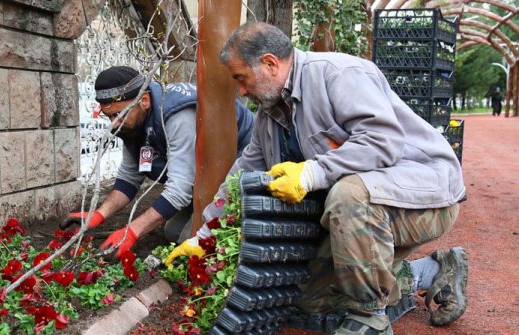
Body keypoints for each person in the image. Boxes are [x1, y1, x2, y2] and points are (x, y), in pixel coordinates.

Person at [166, 22, 468, 334]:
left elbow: (382, 141)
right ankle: (431, 271)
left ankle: (368, 318)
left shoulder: (339, 74)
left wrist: (312, 172)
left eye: (241, 79)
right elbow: (242, 175)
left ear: (270, 63)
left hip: (425, 196)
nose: (241, 91)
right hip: (362, 208)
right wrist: (203, 236)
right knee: (308, 298)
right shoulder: (269, 114)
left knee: (347, 196)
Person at [63, 66, 255, 257]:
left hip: (242, 167)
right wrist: (99, 214)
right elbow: (129, 178)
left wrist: (131, 232)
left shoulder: (178, 116)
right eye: (109, 116)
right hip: (202, 174)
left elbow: (179, 189)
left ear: (144, 100)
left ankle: (245, 234)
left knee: (192, 240)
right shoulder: (132, 122)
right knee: (172, 232)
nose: (114, 123)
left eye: (119, 114)